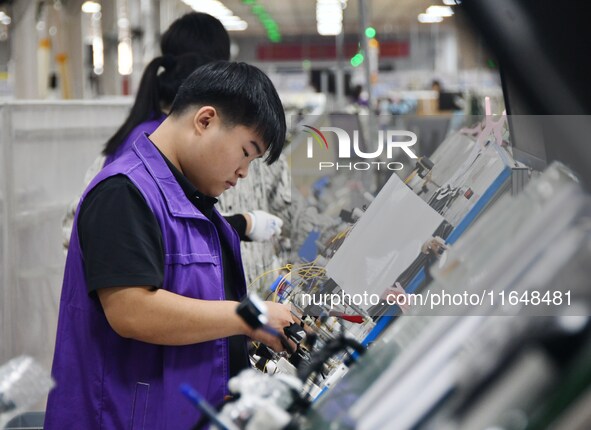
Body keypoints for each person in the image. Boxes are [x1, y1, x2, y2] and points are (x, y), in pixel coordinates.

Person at [45, 61, 293, 429]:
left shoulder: (188, 199)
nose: (244, 172)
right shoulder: (124, 192)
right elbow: (132, 310)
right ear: (205, 120)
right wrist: (246, 318)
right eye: (246, 152)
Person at [62, 12, 282, 253]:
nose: (243, 173)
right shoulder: (157, 154)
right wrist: (242, 225)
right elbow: (158, 238)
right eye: (245, 152)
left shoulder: (144, 135)